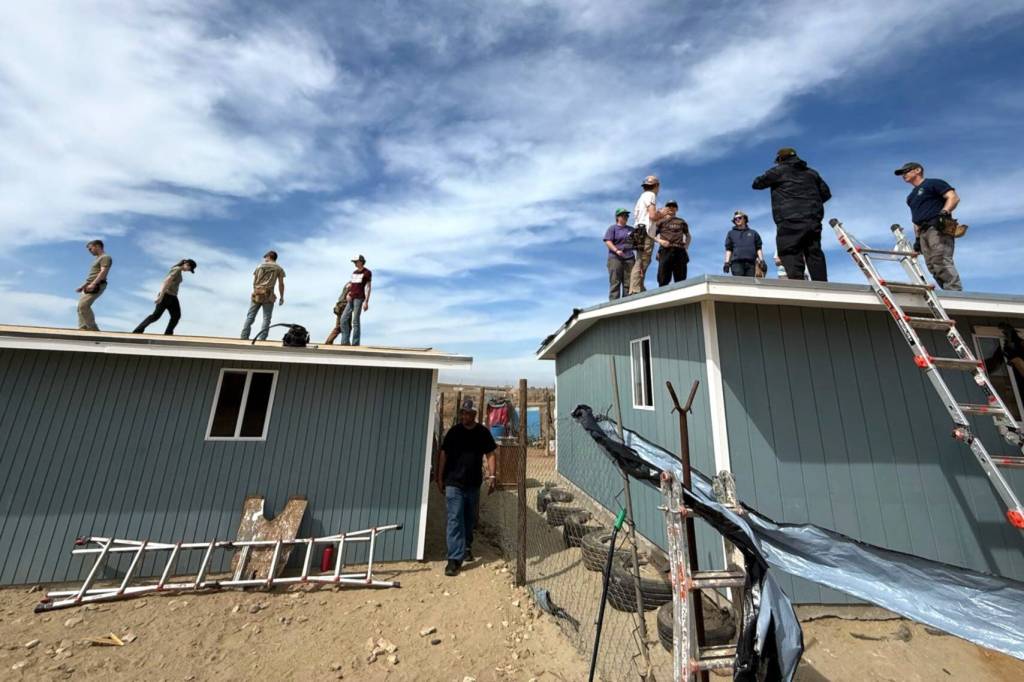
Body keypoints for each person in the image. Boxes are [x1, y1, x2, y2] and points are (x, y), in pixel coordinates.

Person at [436, 399, 497, 577]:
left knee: (469, 518)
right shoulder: (454, 433)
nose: (464, 416)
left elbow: (491, 454)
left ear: (474, 415)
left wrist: (493, 476)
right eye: (462, 412)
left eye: (468, 413)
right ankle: (454, 559)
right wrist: (440, 478)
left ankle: (466, 546)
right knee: (455, 518)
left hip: (472, 484)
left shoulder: (482, 433)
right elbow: (443, 455)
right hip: (454, 483)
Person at [752, 148, 831, 281]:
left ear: (780, 159)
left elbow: (757, 183)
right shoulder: (812, 173)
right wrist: (810, 205)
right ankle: (822, 286)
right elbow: (826, 194)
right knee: (814, 252)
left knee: (789, 251)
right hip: (812, 219)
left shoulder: (778, 171)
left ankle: (798, 286)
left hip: (789, 220)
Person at [895, 162, 962, 291]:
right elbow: (915, 220)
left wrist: (944, 213)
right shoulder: (910, 197)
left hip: (938, 226)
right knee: (931, 265)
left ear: (918, 170)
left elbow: (953, 198)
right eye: (902, 173)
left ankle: (954, 291)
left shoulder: (933, 183)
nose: (904, 175)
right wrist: (917, 239)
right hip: (924, 231)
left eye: (906, 171)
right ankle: (947, 291)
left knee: (940, 259)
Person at [133, 259, 197, 335]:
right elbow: (167, 281)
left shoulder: (179, 271)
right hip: (166, 295)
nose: (189, 270)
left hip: (173, 297)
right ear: (186, 264)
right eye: (190, 268)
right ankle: (138, 330)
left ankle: (168, 333)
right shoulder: (176, 269)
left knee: (176, 316)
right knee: (156, 316)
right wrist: (161, 296)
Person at [628, 175, 668, 295]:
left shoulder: (641, 198)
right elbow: (652, 216)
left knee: (641, 259)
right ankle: (635, 289)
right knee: (642, 261)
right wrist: (661, 213)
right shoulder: (651, 195)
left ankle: (638, 286)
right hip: (645, 233)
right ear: (657, 186)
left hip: (639, 231)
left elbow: (641, 217)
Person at [240, 250, 286, 340]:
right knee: (266, 318)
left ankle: (244, 337)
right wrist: (281, 297)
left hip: (257, 293)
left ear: (269, 256)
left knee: (250, 316)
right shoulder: (279, 268)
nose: (264, 259)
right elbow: (281, 284)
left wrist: (255, 290)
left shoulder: (259, 266)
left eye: (265, 257)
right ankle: (262, 339)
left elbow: (254, 280)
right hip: (269, 294)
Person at [332, 255, 372, 346]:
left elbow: (368, 287)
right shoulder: (354, 272)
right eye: (354, 262)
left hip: (359, 298)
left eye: (356, 261)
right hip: (351, 298)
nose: (355, 263)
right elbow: (352, 285)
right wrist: (348, 294)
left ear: (361, 261)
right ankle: (345, 342)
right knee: (343, 319)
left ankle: (355, 343)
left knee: (355, 320)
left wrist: (366, 302)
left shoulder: (367, 272)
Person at [76, 240, 112, 331]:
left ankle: (93, 329)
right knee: (80, 307)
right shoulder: (96, 259)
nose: (89, 251)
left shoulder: (105, 257)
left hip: (97, 285)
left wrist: (93, 284)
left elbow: (103, 271)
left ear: (97, 246)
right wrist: (83, 286)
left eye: (90, 248)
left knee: (83, 305)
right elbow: (92, 275)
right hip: (89, 285)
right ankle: (83, 328)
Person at [654, 200, 690, 286]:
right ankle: (662, 298)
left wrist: (685, 247)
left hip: (679, 251)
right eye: (669, 206)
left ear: (676, 209)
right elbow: (651, 235)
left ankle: (681, 298)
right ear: (666, 208)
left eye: (673, 206)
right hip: (665, 250)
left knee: (681, 280)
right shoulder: (660, 221)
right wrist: (660, 241)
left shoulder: (681, 221)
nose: (671, 208)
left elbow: (688, 236)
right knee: (663, 279)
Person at [603, 208, 635, 300]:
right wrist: (616, 250)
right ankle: (613, 305)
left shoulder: (631, 229)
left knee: (628, 283)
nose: (625, 217)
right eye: (623, 215)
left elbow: (636, 243)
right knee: (615, 281)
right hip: (615, 258)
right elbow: (608, 241)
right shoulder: (612, 228)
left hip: (629, 258)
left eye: (627, 215)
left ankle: (627, 304)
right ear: (617, 217)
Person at [723, 211, 765, 277]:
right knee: (740, 284)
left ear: (744, 219)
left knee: (750, 285)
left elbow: (758, 248)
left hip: (751, 263)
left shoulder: (753, 233)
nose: (737, 220)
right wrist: (727, 263)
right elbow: (729, 249)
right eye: (735, 219)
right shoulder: (731, 233)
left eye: (739, 218)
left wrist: (762, 261)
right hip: (736, 263)